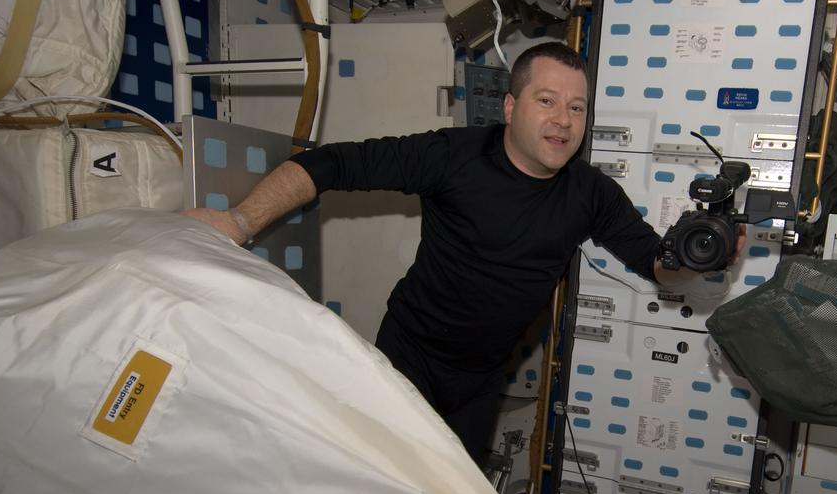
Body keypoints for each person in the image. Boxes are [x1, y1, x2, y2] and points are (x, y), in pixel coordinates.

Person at [184, 42, 739, 465]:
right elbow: (332, 164)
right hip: (411, 354)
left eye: (576, 107)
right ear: (510, 105)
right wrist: (238, 221)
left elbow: (657, 268)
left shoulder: (591, 194)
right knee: (384, 474)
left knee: (457, 491)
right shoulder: (454, 156)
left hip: (481, 376)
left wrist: (698, 259)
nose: (563, 120)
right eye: (546, 101)